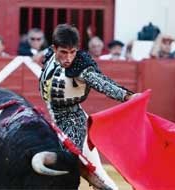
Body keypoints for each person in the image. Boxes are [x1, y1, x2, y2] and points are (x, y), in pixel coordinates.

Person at [39, 24, 140, 189]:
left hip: (74, 122)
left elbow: (101, 83)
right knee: (96, 174)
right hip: (53, 121)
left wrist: (127, 96)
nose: (69, 58)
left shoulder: (81, 68)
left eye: (73, 52)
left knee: (70, 168)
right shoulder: (50, 55)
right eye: (64, 52)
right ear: (54, 48)